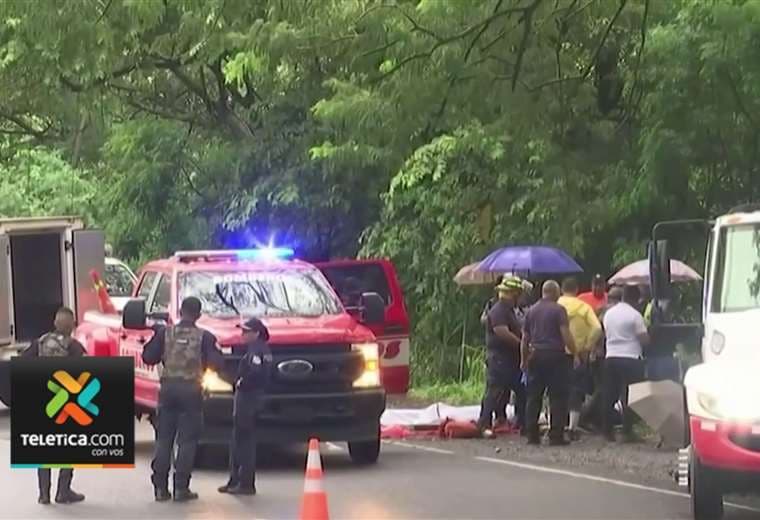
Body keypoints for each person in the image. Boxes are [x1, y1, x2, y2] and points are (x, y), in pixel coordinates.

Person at [142, 296, 226, 502]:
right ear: (198, 315)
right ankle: (181, 488)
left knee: (164, 439)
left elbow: (148, 357)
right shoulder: (205, 337)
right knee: (187, 441)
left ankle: (160, 488)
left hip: (168, 389)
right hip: (191, 391)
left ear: (180, 312)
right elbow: (217, 363)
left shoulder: (165, 333)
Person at [21, 307, 87, 505]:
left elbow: (23, 364)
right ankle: (63, 491)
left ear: (55, 324)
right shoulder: (75, 347)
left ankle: (44, 494)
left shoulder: (39, 343)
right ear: (72, 326)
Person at [219, 317, 273, 496]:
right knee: (239, 439)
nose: (242, 334)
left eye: (246, 331)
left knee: (244, 440)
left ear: (256, 333)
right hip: (253, 398)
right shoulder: (261, 349)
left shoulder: (257, 350)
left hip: (248, 399)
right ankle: (236, 480)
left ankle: (245, 483)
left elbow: (256, 373)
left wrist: (241, 382)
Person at [521, 280, 576, 446]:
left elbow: (524, 339)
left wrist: (524, 359)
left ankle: (532, 434)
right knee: (558, 396)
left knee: (534, 396)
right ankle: (556, 435)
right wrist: (574, 352)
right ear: (555, 292)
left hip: (536, 355)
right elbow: (565, 334)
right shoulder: (559, 310)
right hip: (555, 356)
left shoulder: (531, 311)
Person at [477, 276, 526, 437]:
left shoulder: (509, 310)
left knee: (522, 390)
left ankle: (523, 422)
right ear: (513, 293)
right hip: (500, 358)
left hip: (511, 359)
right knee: (494, 391)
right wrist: (521, 344)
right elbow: (502, 332)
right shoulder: (498, 310)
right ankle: (484, 423)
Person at [602, 285, 649, 442]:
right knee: (629, 396)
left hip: (611, 356)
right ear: (636, 299)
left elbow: (605, 333)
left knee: (610, 394)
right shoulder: (635, 315)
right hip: (631, 357)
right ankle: (627, 431)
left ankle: (607, 430)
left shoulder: (609, 314)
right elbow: (643, 339)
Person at [558, 278, 602, 441]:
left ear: (561, 289)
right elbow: (597, 328)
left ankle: (556, 424)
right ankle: (572, 427)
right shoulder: (583, 307)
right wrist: (587, 346)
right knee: (576, 390)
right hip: (577, 354)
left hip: (556, 352)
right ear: (576, 290)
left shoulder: (556, 305)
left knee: (556, 390)